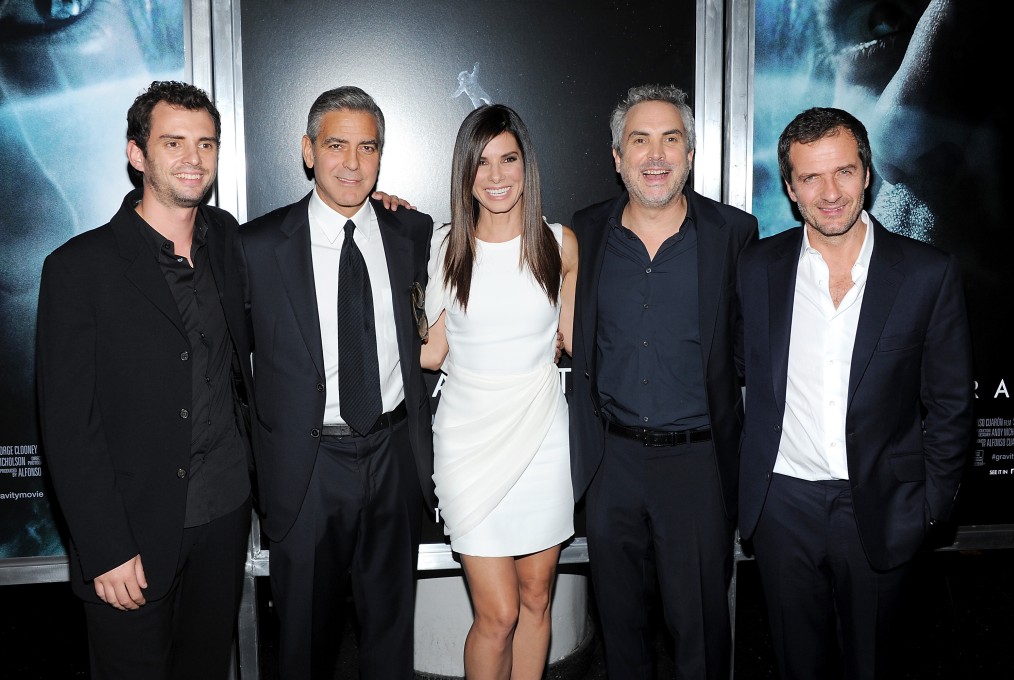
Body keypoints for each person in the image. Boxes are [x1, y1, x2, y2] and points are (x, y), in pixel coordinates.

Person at [736, 106, 974, 679]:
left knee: (873, 665)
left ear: (867, 174)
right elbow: (735, 371)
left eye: (843, 171)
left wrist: (930, 508)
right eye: (811, 177)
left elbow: (950, 404)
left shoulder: (926, 273)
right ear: (791, 190)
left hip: (880, 506)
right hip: (782, 506)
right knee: (798, 666)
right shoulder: (758, 267)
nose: (830, 192)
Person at [35, 80, 255, 680]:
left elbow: (299, 240)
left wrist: (378, 207)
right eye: (174, 142)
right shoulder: (79, 269)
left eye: (206, 144)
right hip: (131, 535)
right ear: (138, 154)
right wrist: (105, 547)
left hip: (224, 514)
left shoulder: (230, 241)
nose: (194, 159)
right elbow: (66, 425)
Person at [238, 85, 435, 680]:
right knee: (303, 643)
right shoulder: (255, 246)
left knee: (392, 638)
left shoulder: (413, 233)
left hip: (393, 455)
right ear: (307, 151)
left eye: (367, 148)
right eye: (336, 146)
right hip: (307, 466)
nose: (352, 163)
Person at [569, 84, 758, 680]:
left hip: (697, 467)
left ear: (691, 154)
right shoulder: (585, 232)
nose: (656, 155)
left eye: (670, 139)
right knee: (619, 633)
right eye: (640, 140)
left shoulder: (734, 235)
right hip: (611, 464)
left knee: (700, 634)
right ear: (617, 157)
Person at [420, 104, 577, 679]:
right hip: (467, 443)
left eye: (507, 159)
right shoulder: (443, 248)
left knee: (536, 599)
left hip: (541, 436)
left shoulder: (560, 244)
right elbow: (431, 352)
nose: (495, 175)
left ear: (526, 165)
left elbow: (573, 342)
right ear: (465, 173)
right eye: (481, 162)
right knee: (499, 613)